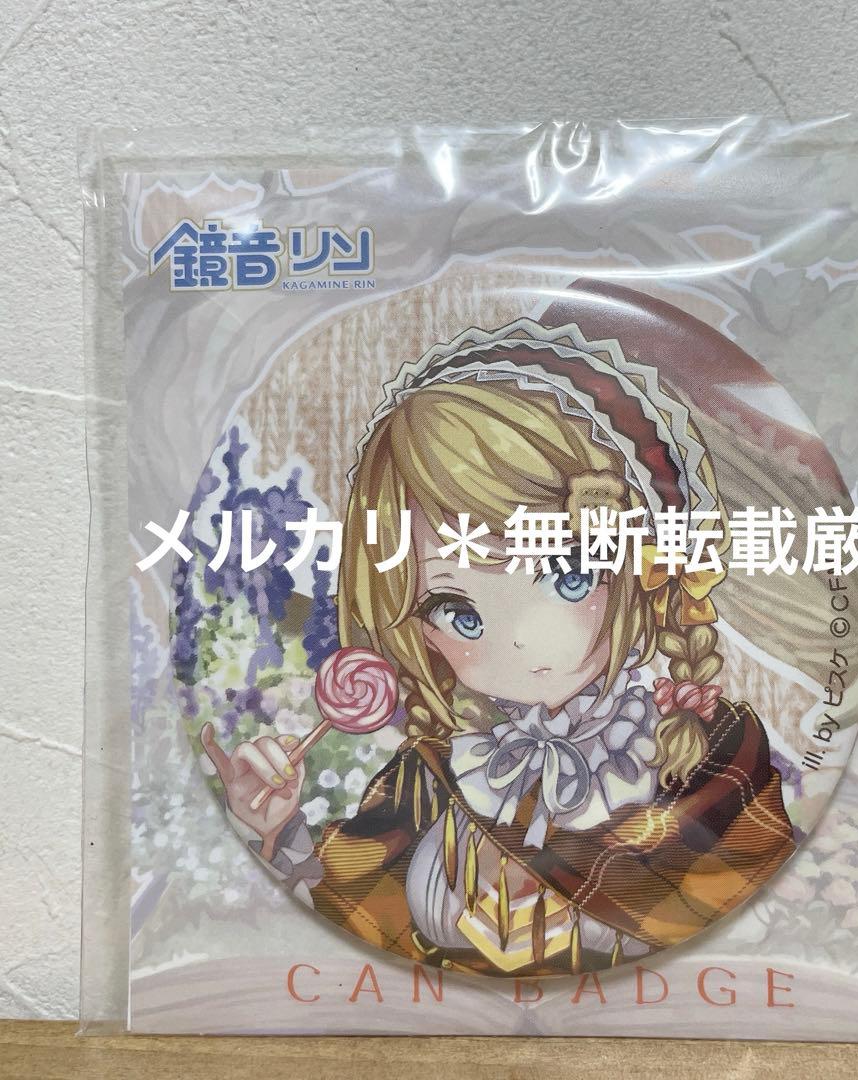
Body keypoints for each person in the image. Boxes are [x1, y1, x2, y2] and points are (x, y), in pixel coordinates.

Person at [202, 318, 794, 976]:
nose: (517, 639)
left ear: (639, 570)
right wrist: (278, 827)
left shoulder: (709, 752)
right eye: (456, 611)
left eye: (567, 575)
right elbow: (347, 919)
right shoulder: (430, 777)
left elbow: (754, 929)